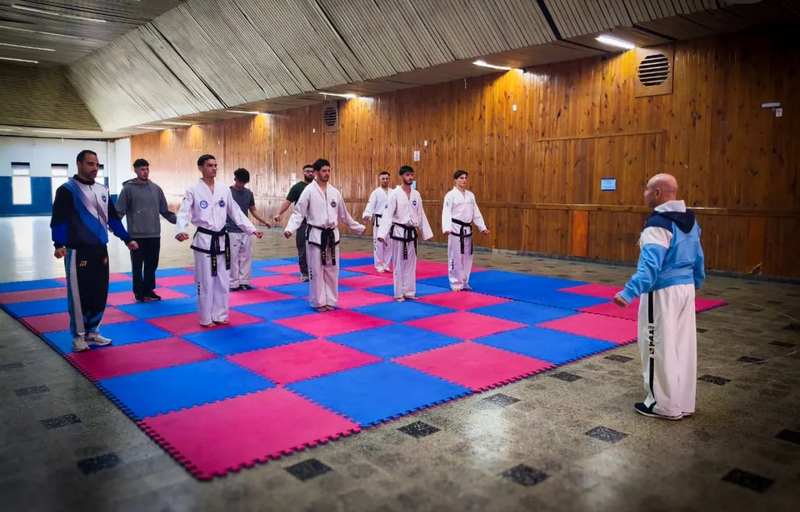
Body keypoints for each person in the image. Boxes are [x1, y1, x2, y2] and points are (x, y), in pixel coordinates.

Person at [613, 173, 706, 421]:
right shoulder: (690, 221)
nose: (644, 194)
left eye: (647, 190)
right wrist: (697, 280)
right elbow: (698, 256)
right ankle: (682, 402)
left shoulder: (657, 224)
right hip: (686, 289)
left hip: (662, 291)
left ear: (657, 193)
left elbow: (650, 266)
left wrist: (629, 291)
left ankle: (662, 405)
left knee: (657, 345)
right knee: (682, 346)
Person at [51, 150, 138, 352]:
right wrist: (59, 244)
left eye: (97, 165)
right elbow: (58, 219)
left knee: (99, 292)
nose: (94, 168)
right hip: (77, 251)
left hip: (100, 250)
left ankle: (93, 332)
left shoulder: (102, 190)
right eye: (90, 164)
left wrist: (127, 238)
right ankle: (79, 336)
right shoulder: (67, 190)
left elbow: (113, 219)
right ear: (79, 164)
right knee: (79, 295)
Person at [176, 155, 263, 328]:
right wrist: (181, 230)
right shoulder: (193, 190)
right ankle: (206, 318)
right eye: (210, 165)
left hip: (222, 239)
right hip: (204, 240)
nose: (214, 168)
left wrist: (251, 228)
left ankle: (220, 314)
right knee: (205, 281)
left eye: (215, 165)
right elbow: (184, 212)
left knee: (223, 279)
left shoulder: (224, 190)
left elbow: (235, 212)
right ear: (200, 167)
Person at [284, 158, 365, 312]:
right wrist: (290, 228)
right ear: (316, 173)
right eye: (324, 171)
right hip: (316, 235)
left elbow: (344, 215)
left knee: (332, 270)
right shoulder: (308, 191)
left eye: (328, 170)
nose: (327, 173)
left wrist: (358, 228)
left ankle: (330, 300)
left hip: (332, 235)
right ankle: (318, 302)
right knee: (316, 270)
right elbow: (298, 212)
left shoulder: (335, 192)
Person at [115, 158, 177, 302]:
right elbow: (119, 210)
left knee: (151, 265)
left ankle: (149, 290)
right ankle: (138, 292)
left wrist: (179, 222)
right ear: (136, 171)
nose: (145, 172)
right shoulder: (128, 189)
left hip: (154, 233)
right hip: (136, 235)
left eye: (147, 169)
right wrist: (114, 225)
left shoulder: (156, 189)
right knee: (137, 266)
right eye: (142, 169)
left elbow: (165, 211)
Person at [376, 165, 433, 302]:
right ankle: (399, 293)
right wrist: (382, 234)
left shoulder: (416, 194)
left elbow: (420, 214)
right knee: (399, 264)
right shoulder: (395, 194)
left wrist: (426, 233)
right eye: (407, 175)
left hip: (411, 233)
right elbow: (388, 214)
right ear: (401, 176)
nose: (410, 177)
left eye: (411, 175)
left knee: (411, 264)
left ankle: (409, 291)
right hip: (399, 232)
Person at [442, 170, 489, 291]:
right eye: (461, 178)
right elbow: (446, 213)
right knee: (455, 257)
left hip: (467, 230)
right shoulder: (450, 195)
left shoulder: (470, 195)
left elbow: (476, 213)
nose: (464, 180)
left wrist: (482, 227)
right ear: (455, 180)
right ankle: (455, 283)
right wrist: (446, 228)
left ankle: (464, 281)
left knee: (467, 257)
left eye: (465, 178)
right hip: (455, 229)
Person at [227, 168, 272, 292]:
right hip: (231, 230)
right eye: (240, 182)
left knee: (246, 257)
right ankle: (233, 283)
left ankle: (245, 281)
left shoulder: (248, 193)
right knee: (233, 258)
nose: (242, 185)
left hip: (246, 230)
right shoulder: (227, 193)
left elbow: (253, 210)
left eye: (244, 183)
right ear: (235, 179)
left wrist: (265, 221)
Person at [274, 164, 314, 282]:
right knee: (303, 247)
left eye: (312, 171)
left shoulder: (317, 187)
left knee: (317, 248)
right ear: (303, 173)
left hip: (316, 222)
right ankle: (305, 273)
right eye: (307, 171)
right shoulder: (297, 187)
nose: (310, 173)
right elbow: (288, 202)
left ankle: (317, 271)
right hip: (302, 221)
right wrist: (279, 213)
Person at [362, 171, 392, 273]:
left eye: (386, 178)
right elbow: (370, 205)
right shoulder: (376, 193)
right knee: (379, 245)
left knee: (389, 245)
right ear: (380, 179)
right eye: (383, 179)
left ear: (389, 179)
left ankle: (386, 265)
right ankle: (379, 266)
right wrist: (367, 214)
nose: (385, 180)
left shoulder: (393, 193)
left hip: (390, 222)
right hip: (379, 221)